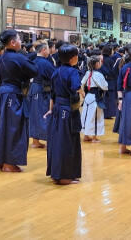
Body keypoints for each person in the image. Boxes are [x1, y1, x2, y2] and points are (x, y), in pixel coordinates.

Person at [0, 29, 38, 172]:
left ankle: (1, 159)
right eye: (19, 39)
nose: (21, 42)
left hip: (3, 93)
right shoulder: (18, 57)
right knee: (14, 127)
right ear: (13, 42)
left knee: (3, 126)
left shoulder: (2, 57)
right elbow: (34, 71)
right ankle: (9, 163)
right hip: (13, 95)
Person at [45, 44, 84, 185]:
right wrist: (82, 91)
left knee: (57, 141)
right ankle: (64, 176)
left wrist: (50, 109)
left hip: (57, 109)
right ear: (73, 58)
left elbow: (52, 94)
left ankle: (58, 173)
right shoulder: (73, 72)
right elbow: (76, 87)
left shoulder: (56, 71)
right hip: (67, 110)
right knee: (67, 142)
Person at [27, 42, 55, 148]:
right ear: (43, 50)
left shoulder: (33, 61)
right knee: (43, 114)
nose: (49, 51)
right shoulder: (44, 63)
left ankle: (35, 141)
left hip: (33, 88)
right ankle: (47, 140)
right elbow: (54, 76)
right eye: (48, 49)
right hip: (41, 90)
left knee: (34, 114)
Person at [80, 54, 107, 142]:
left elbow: (82, 83)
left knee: (87, 116)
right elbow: (105, 87)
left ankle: (86, 135)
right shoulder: (99, 74)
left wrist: (83, 93)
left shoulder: (88, 73)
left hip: (88, 97)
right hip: (95, 97)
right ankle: (94, 138)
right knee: (96, 117)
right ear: (97, 64)